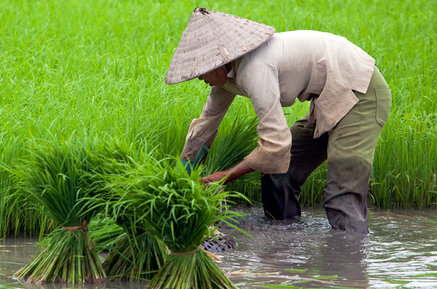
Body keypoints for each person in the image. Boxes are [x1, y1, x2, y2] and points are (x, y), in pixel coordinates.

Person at [166, 8, 391, 234]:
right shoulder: (225, 77)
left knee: (342, 194)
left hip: (360, 92)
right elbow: (205, 126)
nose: (199, 78)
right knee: (280, 173)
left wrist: (224, 176)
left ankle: (349, 258)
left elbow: (276, 144)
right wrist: (180, 178)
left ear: (218, 62)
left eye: (201, 71)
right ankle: (285, 244)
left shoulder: (255, 69)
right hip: (330, 97)